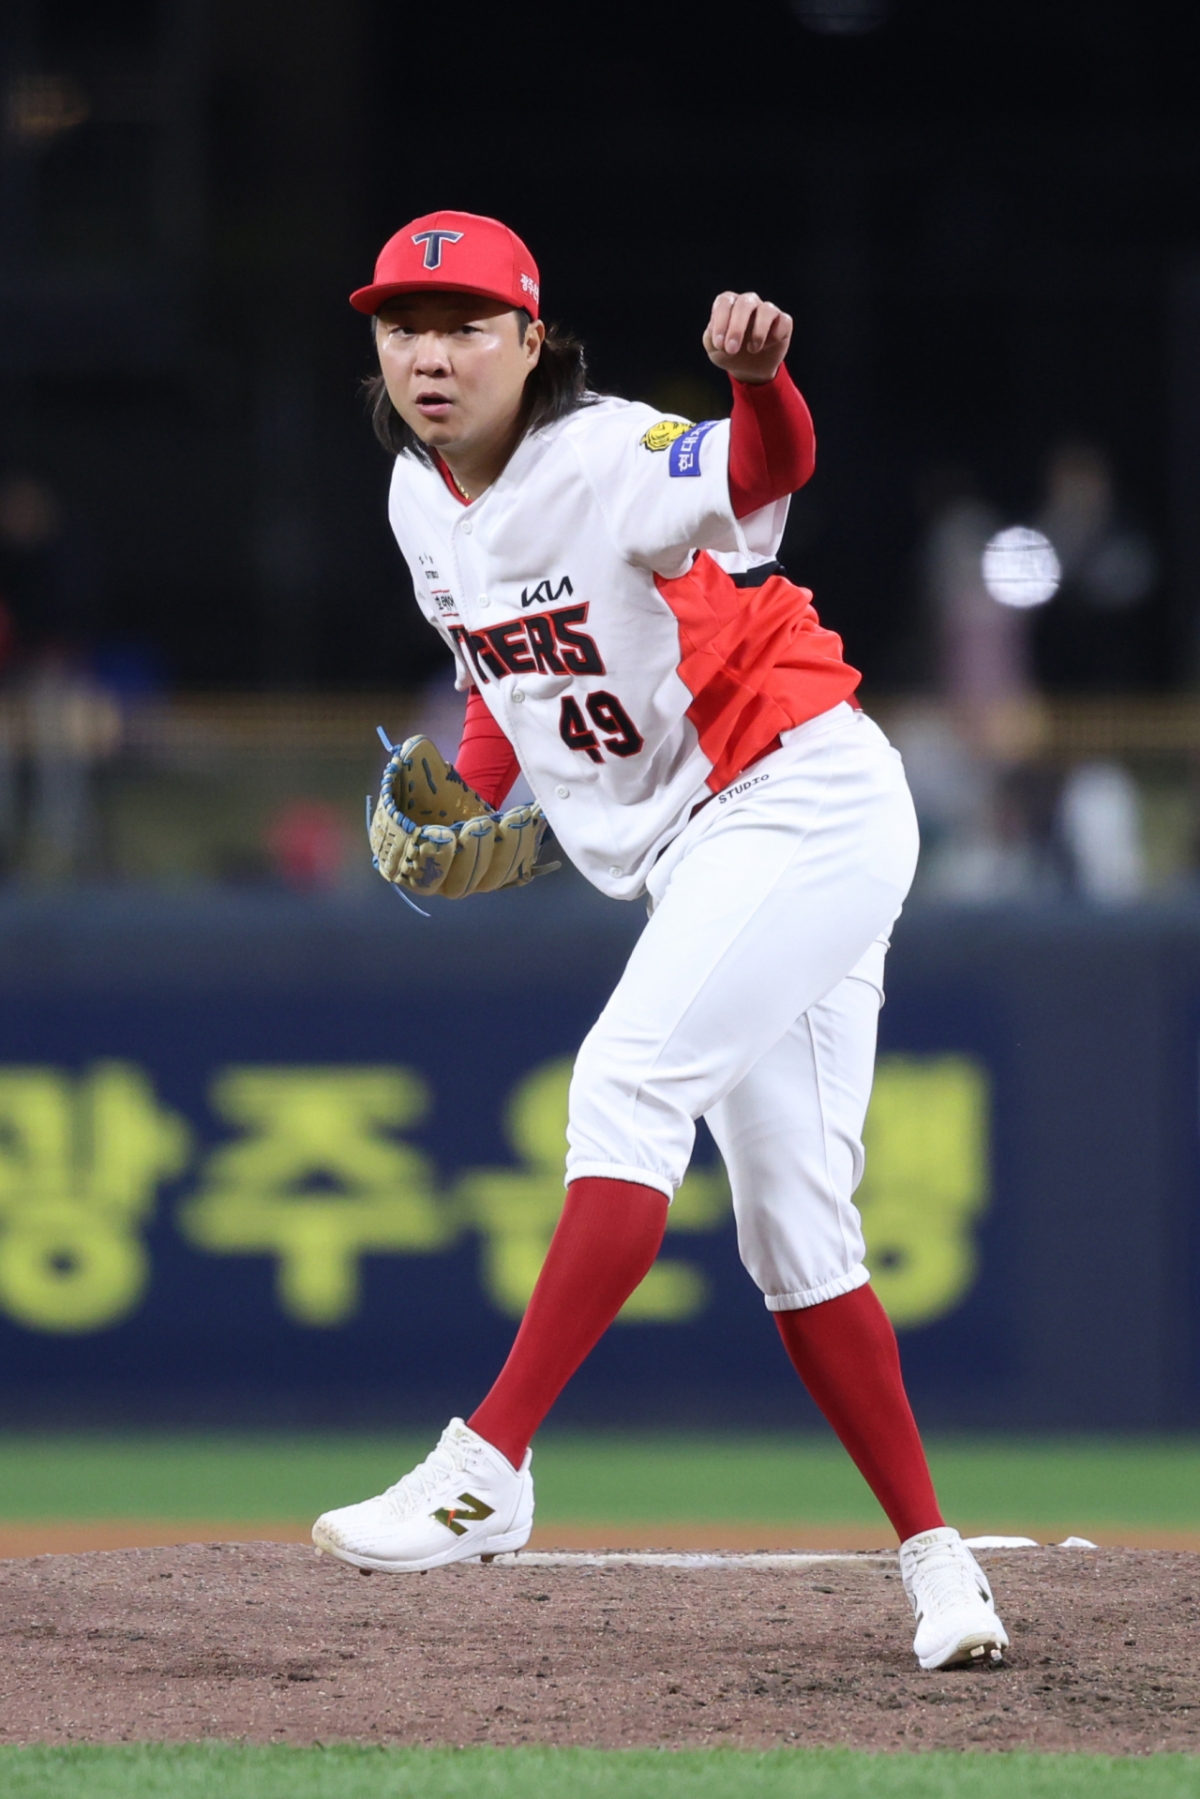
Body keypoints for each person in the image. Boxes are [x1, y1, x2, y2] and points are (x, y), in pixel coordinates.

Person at [313, 210, 1008, 1672]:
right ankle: (944, 1572)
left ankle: (487, 1466)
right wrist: (470, 797)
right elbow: (501, 686)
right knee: (793, 1228)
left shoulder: (606, 455)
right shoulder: (416, 501)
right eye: (401, 326)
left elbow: (768, 472)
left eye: (465, 325)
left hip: (796, 796)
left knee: (627, 1087)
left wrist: (757, 381)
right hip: (715, 845)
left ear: (531, 342)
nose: (430, 354)